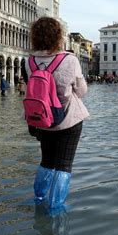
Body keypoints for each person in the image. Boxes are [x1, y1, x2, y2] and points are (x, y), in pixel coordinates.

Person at [24, 17, 89, 214]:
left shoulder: (29, 61)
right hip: (67, 120)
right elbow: (81, 90)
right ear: (58, 36)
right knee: (64, 165)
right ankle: (55, 208)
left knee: (47, 161)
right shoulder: (70, 59)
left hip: (41, 120)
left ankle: (39, 198)